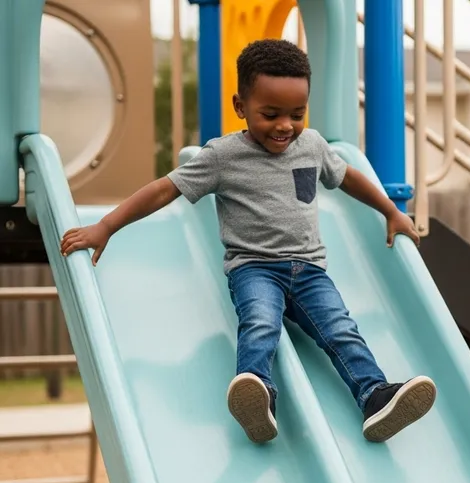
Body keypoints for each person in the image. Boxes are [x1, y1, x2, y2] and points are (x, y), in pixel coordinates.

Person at [60, 39, 436, 445]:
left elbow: (349, 178)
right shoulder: (223, 156)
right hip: (254, 268)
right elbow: (163, 189)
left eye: (297, 114)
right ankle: (257, 395)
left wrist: (391, 211)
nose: (285, 126)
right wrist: (107, 226)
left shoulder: (311, 145)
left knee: (341, 328)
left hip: (310, 270)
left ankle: (374, 397)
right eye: (270, 114)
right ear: (241, 106)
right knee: (260, 324)